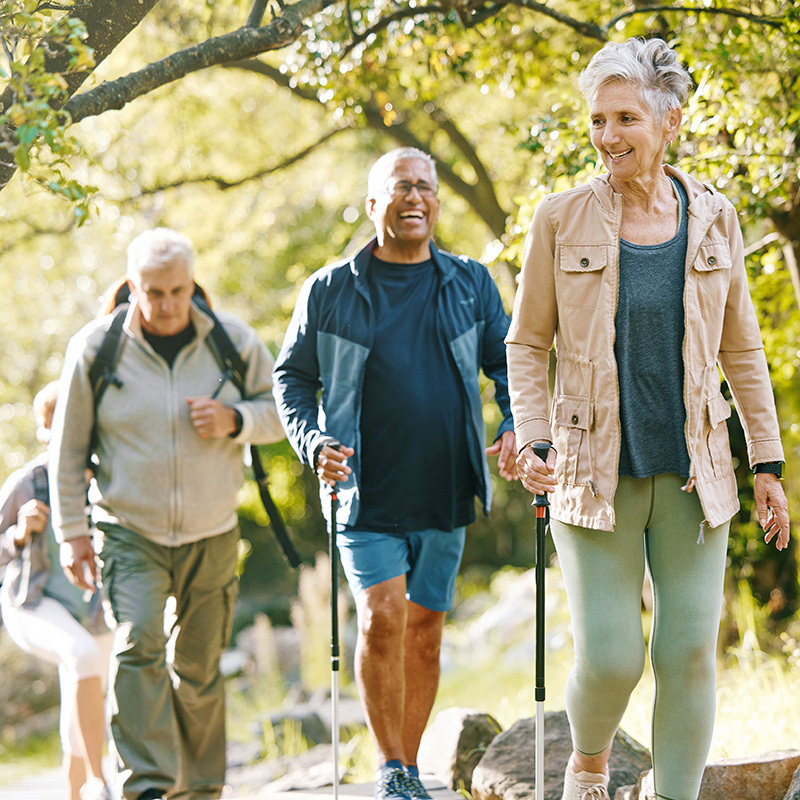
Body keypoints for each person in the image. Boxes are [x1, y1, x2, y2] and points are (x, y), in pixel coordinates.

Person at [507, 37, 791, 800]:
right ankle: (590, 760)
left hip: (697, 469)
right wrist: (533, 434)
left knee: (688, 653)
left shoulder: (715, 220)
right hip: (589, 470)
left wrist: (767, 464)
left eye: (625, 117)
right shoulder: (560, 219)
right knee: (612, 659)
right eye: (598, 119)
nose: (607, 136)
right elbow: (527, 343)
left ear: (669, 123)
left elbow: (743, 348)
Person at [273, 147, 517, 800]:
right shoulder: (330, 289)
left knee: (427, 631)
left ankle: (411, 766)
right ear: (374, 203)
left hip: (446, 487)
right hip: (361, 492)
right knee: (383, 615)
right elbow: (291, 377)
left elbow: (510, 363)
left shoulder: (469, 281)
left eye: (427, 188)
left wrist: (516, 423)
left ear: (437, 203)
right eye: (402, 187)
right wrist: (311, 438)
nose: (416, 198)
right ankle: (391, 770)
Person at [50, 228, 286, 800]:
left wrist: (235, 421)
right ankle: (150, 787)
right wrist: (72, 535)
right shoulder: (95, 350)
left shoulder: (232, 342)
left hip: (212, 529)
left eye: (177, 290)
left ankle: (203, 788)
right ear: (133, 287)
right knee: (139, 646)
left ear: (192, 281)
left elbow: (281, 412)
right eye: (153, 292)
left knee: (201, 668)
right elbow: (67, 449)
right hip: (128, 530)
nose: (166, 305)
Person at [0, 381, 114, 800]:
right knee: (81, 656)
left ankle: (76, 792)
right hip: (32, 604)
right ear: (42, 431)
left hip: (94, 610)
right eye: (52, 424)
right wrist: (16, 533)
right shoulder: (26, 483)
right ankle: (100, 782)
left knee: (82, 698)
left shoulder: (106, 477)